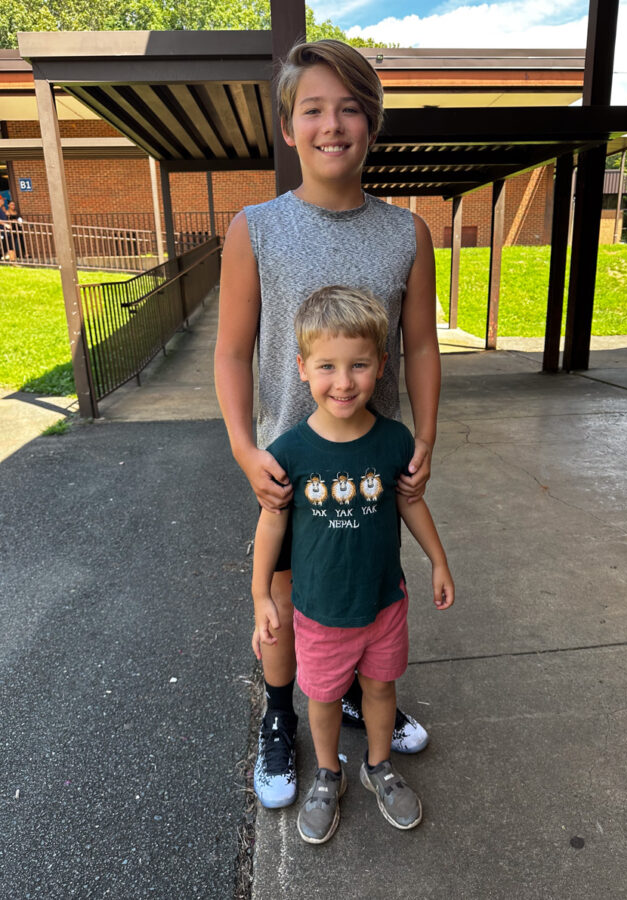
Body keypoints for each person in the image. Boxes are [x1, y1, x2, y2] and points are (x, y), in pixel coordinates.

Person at [214, 39, 441, 809]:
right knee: (287, 600)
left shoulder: (406, 234)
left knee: (369, 586)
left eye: (350, 108)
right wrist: (244, 448)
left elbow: (421, 346)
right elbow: (231, 351)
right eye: (313, 109)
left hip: (375, 462)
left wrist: (427, 436)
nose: (332, 124)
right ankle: (281, 717)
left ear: (371, 123)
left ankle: (355, 689)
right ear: (288, 126)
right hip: (290, 463)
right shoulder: (256, 229)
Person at [251, 285, 455, 843]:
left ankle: (378, 765)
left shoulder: (394, 441)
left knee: (381, 691)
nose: (343, 382)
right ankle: (328, 774)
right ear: (301, 369)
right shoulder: (289, 452)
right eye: (327, 366)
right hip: (319, 614)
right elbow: (271, 525)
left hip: (384, 603)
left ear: (382, 366)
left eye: (359, 365)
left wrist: (438, 561)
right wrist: (262, 596)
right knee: (321, 700)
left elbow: (411, 502)